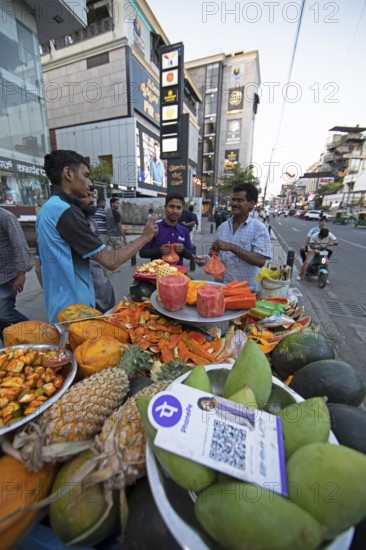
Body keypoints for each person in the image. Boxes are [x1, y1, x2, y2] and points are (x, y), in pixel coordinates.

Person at [36, 150, 157, 323]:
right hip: (76, 313)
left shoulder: (46, 209)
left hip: (60, 307)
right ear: (68, 173)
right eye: (85, 175)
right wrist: (144, 237)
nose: (90, 183)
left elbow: (38, 266)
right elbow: (111, 260)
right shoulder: (64, 211)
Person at [197, 183, 271, 291]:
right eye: (233, 200)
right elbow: (215, 254)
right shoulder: (222, 227)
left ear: (251, 204)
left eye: (239, 200)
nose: (234, 203)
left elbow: (260, 260)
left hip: (245, 291)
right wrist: (205, 260)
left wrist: (232, 247)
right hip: (220, 287)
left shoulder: (259, 229)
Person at [80, 187, 116, 313]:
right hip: (88, 290)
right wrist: (144, 238)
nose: (91, 200)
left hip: (102, 283)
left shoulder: (91, 219)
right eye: (86, 195)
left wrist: (105, 267)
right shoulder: (72, 222)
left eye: (92, 196)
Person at [140, 193, 192, 266]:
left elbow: (190, 256)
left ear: (182, 210)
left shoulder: (184, 231)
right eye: (171, 206)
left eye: (178, 208)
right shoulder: (154, 228)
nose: (175, 211)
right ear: (165, 207)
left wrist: (183, 250)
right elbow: (142, 253)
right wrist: (159, 250)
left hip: (178, 274)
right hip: (157, 274)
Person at [0, 207, 30, 339]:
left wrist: (21, 273)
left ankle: (39, 331)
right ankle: (8, 349)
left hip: (6, 276)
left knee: (4, 312)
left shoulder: (6, 217)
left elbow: (20, 244)